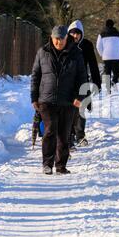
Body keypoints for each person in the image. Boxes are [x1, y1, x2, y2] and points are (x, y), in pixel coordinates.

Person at [31, 25, 88, 175]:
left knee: (64, 134)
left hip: (68, 101)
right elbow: (35, 76)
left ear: (66, 38)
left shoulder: (76, 54)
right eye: (56, 39)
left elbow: (82, 77)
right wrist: (34, 98)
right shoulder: (43, 52)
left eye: (61, 39)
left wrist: (79, 97)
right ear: (51, 38)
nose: (58, 42)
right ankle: (47, 164)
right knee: (50, 130)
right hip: (46, 100)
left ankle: (61, 165)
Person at [67, 20, 102, 148]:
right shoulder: (64, 43)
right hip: (68, 81)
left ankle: (80, 135)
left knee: (81, 108)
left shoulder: (86, 45)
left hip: (82, 81)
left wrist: (97, 82)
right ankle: (69, 134)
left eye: (78, 33)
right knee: (69, 108)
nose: (75, 36)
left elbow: (93, 64)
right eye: (72, 33)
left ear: (82, 34)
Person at [96, 19, 119, 89]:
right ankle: (114, 81)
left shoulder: (101, 35)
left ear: (106, 25)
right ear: (113, 25)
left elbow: (98, 46)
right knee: (116, 72)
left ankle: (108, 87)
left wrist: (102, 54)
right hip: (116, 56)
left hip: (106, 57)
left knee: (107, 72)